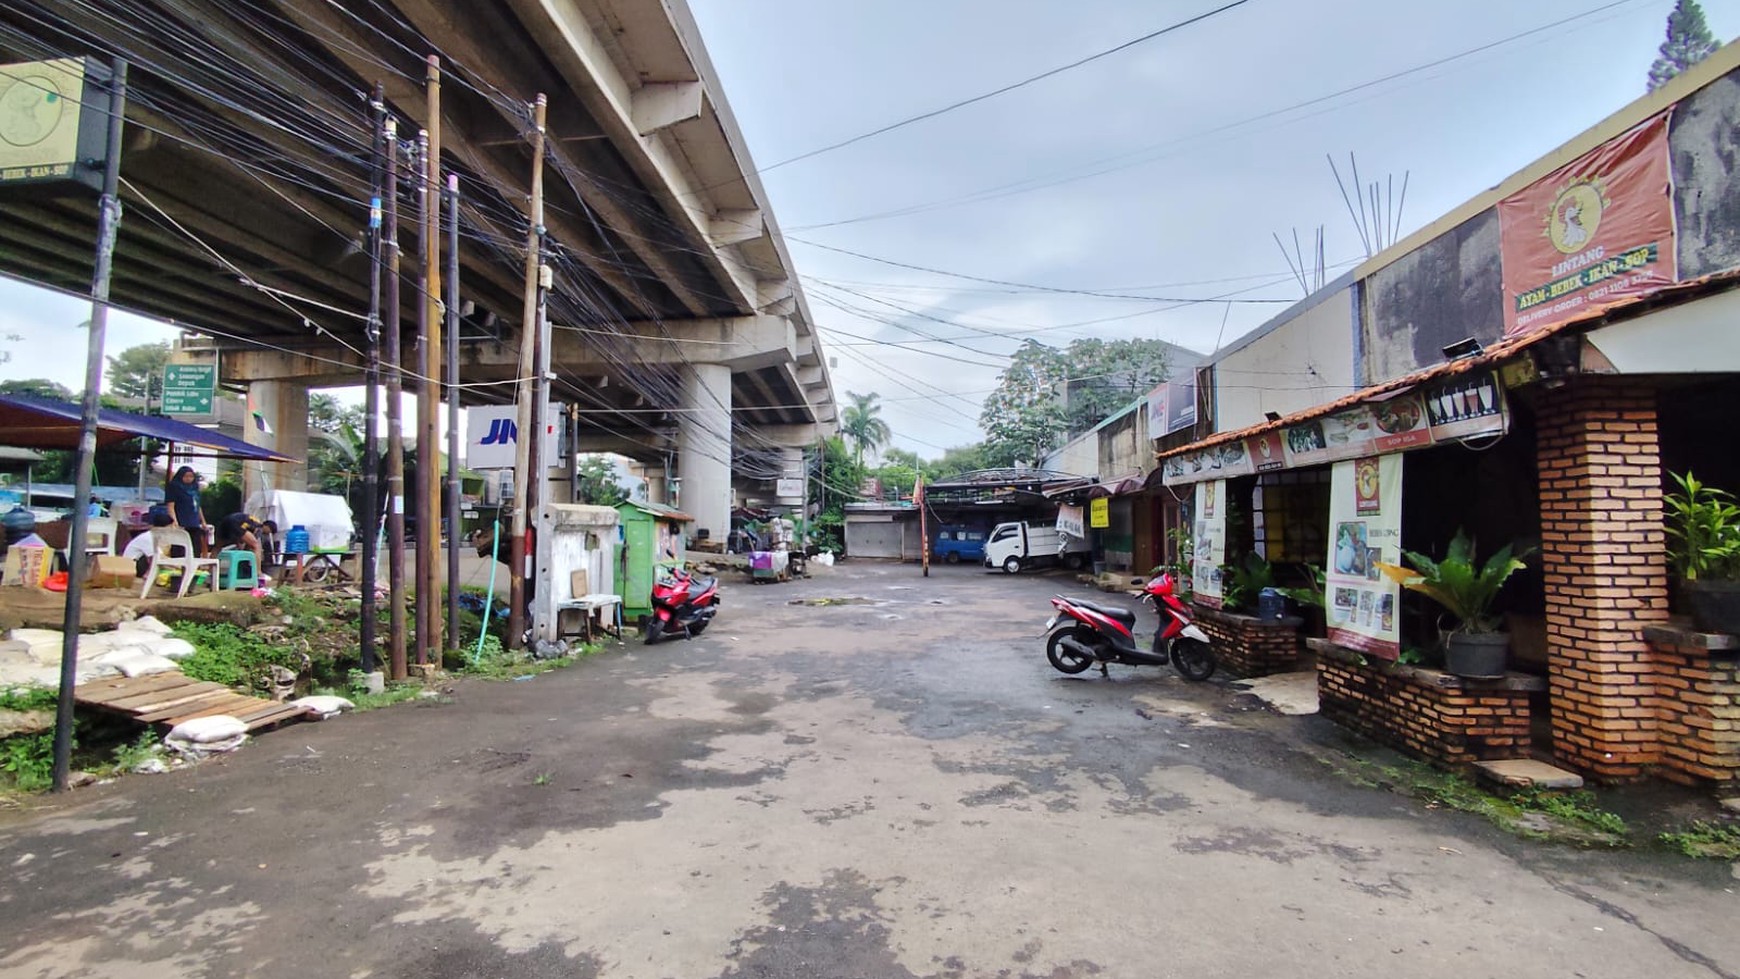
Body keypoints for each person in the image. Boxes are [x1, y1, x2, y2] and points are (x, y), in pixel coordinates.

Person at [164, 466, 207, 556]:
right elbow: (171, 506)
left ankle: (194, 566)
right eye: (186, 476)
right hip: (181, 521)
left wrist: (203, 521)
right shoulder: (174, 487)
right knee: (180, 546)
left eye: (191, 476)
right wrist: (174, 521)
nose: (188, 479)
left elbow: (198, 506)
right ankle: (178, 566)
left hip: (194, 522)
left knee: (195, 546)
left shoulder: (194, 489)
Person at [123, 508, 177, 578]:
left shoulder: (153, 535)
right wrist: (180, 565)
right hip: (132, 565)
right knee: (155, 558)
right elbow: (159, 558)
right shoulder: (148, 537)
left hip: (136, 562)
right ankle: (148, 575)